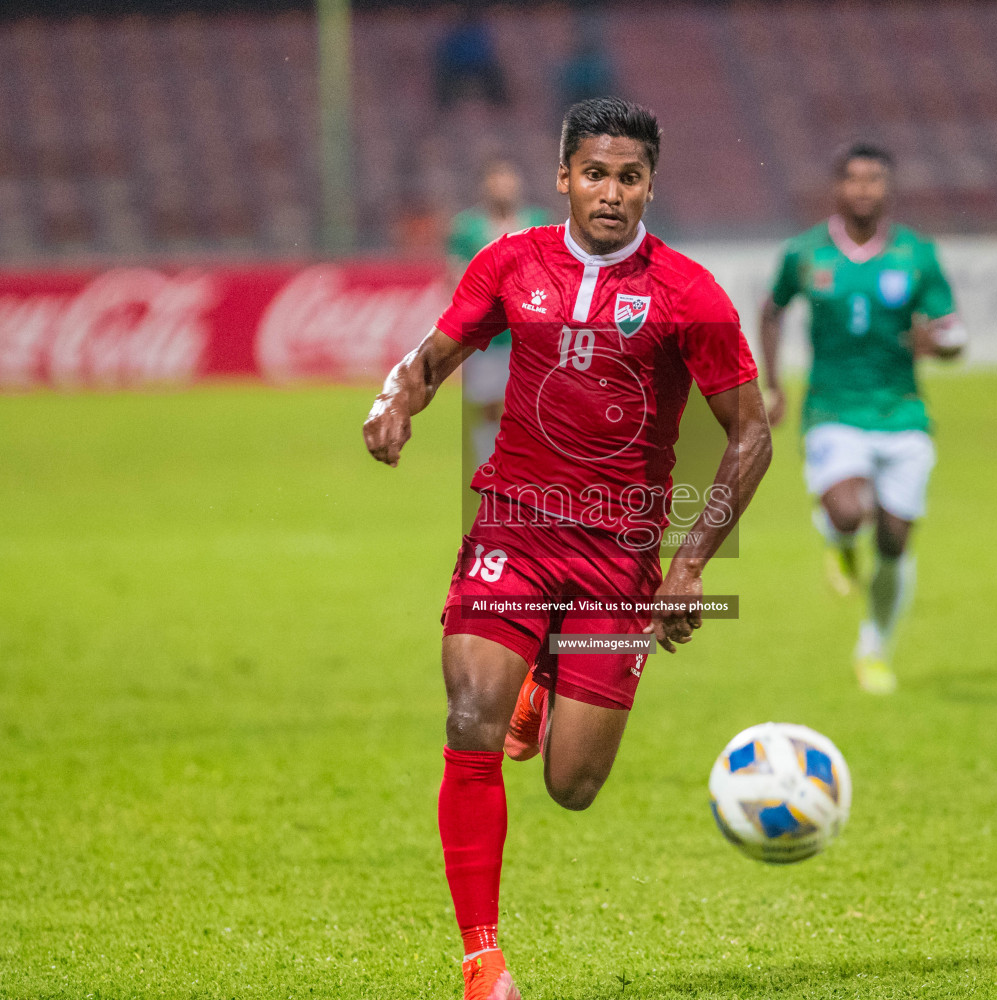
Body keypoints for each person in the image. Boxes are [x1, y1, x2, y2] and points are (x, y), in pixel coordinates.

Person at [363, 97, 771, 1000]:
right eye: (595, 174)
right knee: (469, 717)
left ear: (651, 185)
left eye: (629, 178)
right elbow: (432, 357)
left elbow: (749, 434)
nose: (611, 193)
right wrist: (394, 401)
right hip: (513, 523)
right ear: (564, 178)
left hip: (619, 558)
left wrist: (693, 562)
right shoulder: (512, 262)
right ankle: (482, 959)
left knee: (572, 785)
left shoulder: (689, 294)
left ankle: (546, 671)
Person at [759, 144, 965, 694]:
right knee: (849, 512)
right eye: (855, 179)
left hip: (902, 412)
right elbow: (772, 308)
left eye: (875, 179)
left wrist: (938, 344)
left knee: (896, 542)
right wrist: (773, 383)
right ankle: (837, 536)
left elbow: (953, 334)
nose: (865, 189)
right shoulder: (805, 254)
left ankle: (874, 648)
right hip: (832, 409)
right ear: (838, 188)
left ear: (888, 188)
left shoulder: (916, 255)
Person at [447, 159, 549, 466]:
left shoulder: (537, 221)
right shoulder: (466, 228)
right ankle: (488, 465)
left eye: (507, 180)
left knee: (531, 405)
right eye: (496, 181)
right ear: (485, 187)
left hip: (528, 335)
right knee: (488, 404)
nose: (502, 187)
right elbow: (455, 277)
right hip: (488, 337)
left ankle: (528, 468)